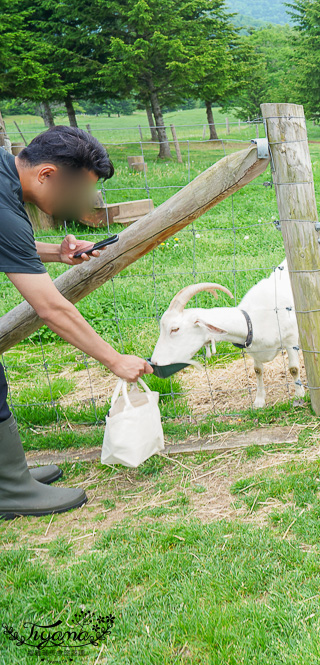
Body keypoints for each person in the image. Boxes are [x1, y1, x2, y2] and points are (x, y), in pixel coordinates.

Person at [1, 126, 152, 520]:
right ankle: (11, 490)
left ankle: (8, 476)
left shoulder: (5, 175)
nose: (82, 202)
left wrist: (56, 253)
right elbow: (51, 307)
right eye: (77, 192)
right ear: (47, 174)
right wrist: (114, 360)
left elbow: (7, 240)